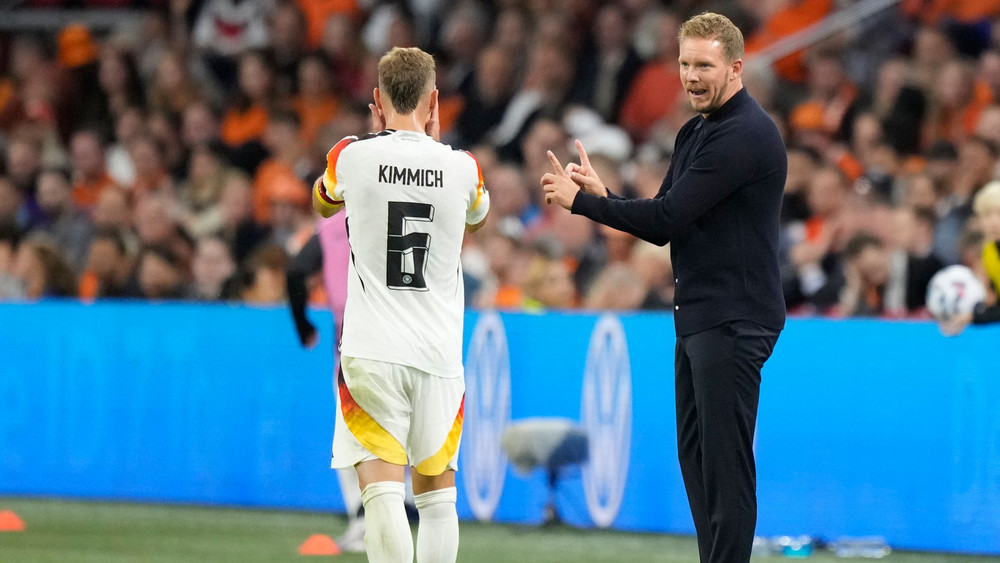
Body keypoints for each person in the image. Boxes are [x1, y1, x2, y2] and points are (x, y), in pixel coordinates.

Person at [541, 13, 784, 563]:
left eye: (704, 65)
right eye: (684, 63)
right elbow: (661, 210)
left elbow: (668, 218)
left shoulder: (745, 133)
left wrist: (584, 204)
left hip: (734, 317)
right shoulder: (696, 130)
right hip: (700, 315)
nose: (691, 76)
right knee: (697, 459)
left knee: (725, 465)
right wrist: (605, 193)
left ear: (736, 67)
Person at [311, 46, 489, 563]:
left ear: (376, 100)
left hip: (371, 349)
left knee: (382, 493)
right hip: (437, 353)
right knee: (437, 501)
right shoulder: (463, 167)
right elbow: (477, 218)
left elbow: (323, 200)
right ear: (436, 101)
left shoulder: (349, 154)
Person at [941, 180, 1000, 334]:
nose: (993, 222)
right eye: (987, 215)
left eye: (999, 213)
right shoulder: (989, 251)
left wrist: (971, 317)